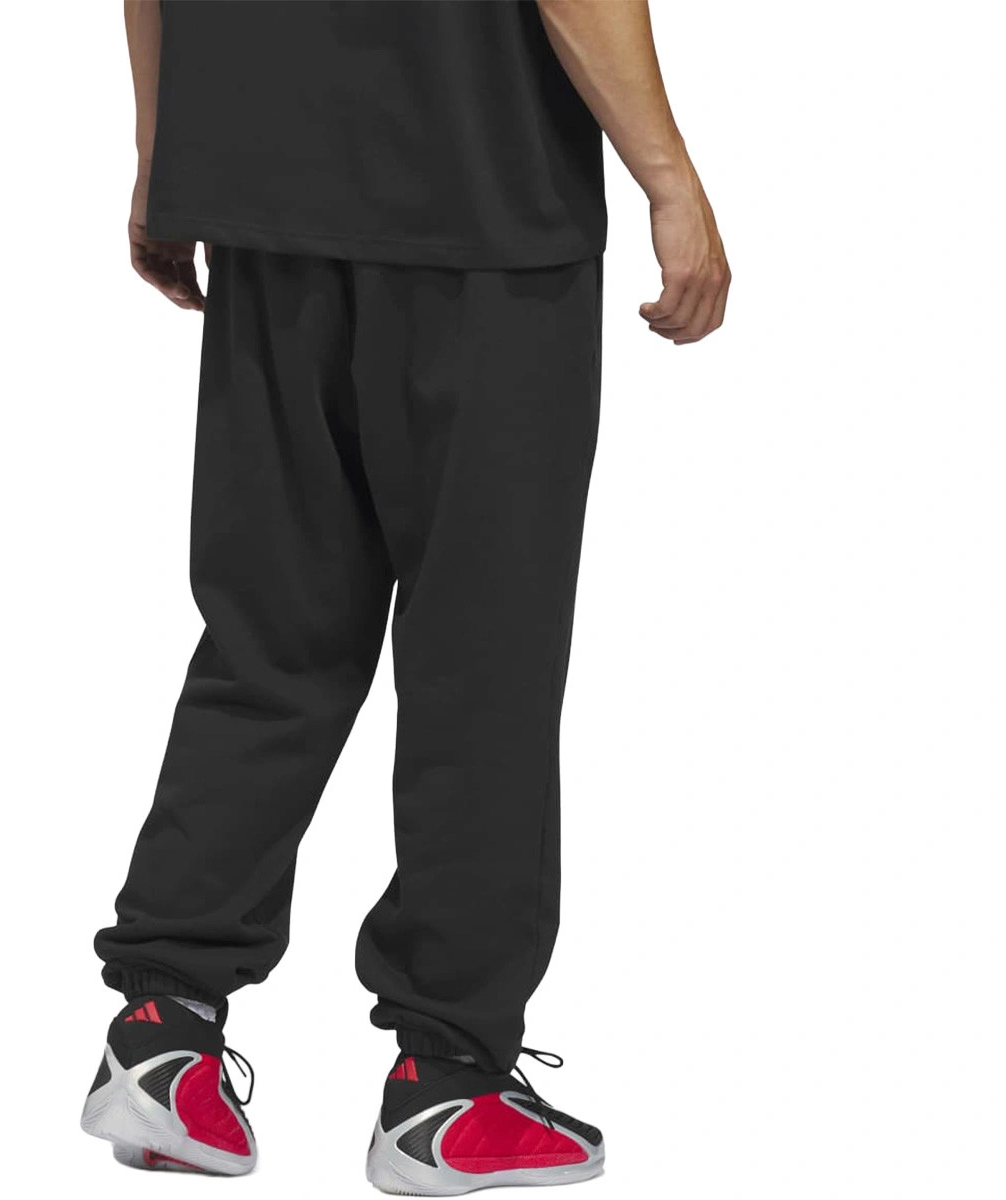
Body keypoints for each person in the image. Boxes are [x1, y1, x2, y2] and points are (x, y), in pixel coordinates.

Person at [81, 2, 729, 1192]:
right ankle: (448, 1083)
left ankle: (162, 1028)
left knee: (269, 641)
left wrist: (162, 157)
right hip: (477, 206)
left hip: (263, 200)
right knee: (482, 660)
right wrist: (671, 181)